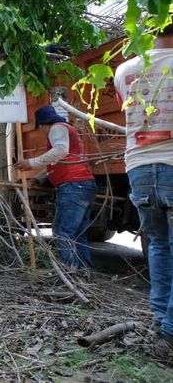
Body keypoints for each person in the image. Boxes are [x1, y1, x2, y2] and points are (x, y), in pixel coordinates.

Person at [114, 47, 173, 356]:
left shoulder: (124, 70)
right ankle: (170, 333)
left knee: (159, 245)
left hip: (138, 167)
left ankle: (162, 319)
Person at [15, 105, 96, 270]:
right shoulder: (66, 129)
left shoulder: (56, 128)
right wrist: (38, 179)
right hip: (84, 185)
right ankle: (85, 272)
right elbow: (56, 162)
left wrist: (30, 163)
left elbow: (60, 151)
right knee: (78, 233)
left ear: (43, 125)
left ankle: (71, 272)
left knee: (63, 231)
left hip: (73, 186)